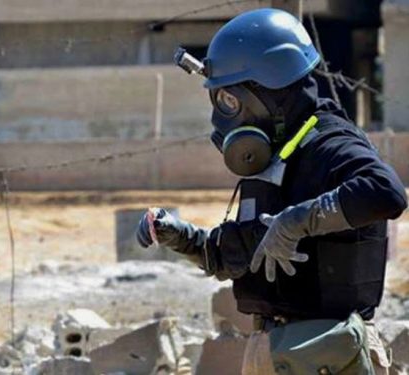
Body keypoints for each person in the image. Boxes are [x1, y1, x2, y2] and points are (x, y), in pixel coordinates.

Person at [136, 8, 406, 374]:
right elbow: (245, 253)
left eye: (229, 100)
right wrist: (186, 239)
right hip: (274, 351)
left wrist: (298, 221)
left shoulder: (330, 144)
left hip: (328, 354)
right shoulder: (273, 157)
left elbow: (386, 191)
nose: (223, 117)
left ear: (269, 90)